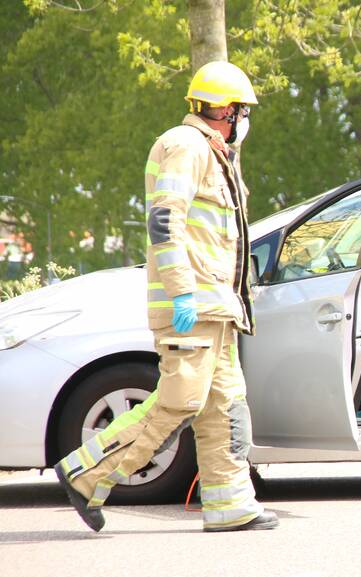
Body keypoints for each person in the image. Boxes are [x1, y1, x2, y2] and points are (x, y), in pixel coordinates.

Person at [53, 61, 277, 532]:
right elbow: (164, 222)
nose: (245, 121)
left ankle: (230, 502)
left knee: (225, 406)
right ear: (226, 110)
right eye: (242, 110)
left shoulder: (216, 155)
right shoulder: (184, 146)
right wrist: (181, 295)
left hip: (216, 308)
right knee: (178, 402)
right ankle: (84, 472)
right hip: (193, 305)